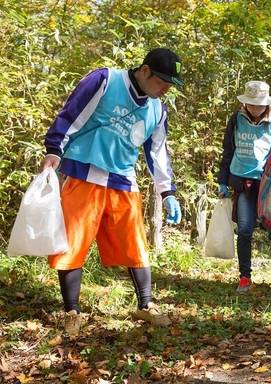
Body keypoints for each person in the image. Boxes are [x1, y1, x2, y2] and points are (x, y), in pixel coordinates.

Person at [42, 48, 184, 336]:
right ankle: (72, 311)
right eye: (162, 83)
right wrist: (55, 148)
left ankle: (146, 304)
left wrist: (167, 191)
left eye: (170, 86)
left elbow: (157, 152)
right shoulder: (105, 81)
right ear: (145, 71)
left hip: (123, 180)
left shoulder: (158, 109)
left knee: (135, 244)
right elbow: (72, 114)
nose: (165, 90)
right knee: (72, 243)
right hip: (84, 170)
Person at [217, 80, 271, 293]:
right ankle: (245, 277)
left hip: (268, 183)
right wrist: (223, 180)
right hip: (242, 181)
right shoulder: (236, 119)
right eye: (252, 104)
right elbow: (228, 150)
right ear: (246, 103)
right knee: (245, 230)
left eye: (260, 105)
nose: (256, 109)